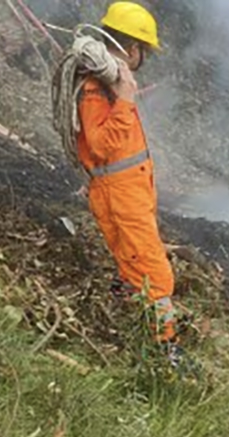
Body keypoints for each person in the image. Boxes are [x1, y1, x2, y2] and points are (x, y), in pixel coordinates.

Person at [73, 2, 183, 363]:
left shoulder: (111, 81)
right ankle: (165, 353)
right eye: (143, 51)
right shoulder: (98, 88)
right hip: (120, 196)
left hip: (130, 193)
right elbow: (103, 146)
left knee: (133, 262)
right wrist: (123, 101)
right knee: (156, 274)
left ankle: (126, 318)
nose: (143, 59)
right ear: (132, 47)